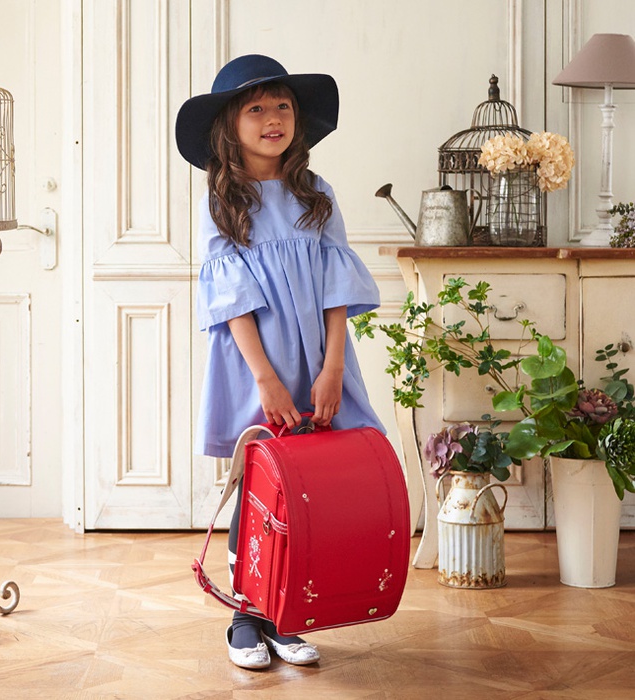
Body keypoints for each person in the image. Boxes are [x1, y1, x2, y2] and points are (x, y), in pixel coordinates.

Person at [175, 54, 385, 670]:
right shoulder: (222, 200)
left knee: (310, 487)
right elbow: (231, 299)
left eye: (283, 106)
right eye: (256, 109)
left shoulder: (316, 194)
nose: (273, 118)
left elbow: (336, 287)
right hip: (255, 363)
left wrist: (334, 367)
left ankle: (286, 611)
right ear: (229, 125)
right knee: (261, 486)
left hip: (318, 360)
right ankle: (246, 614)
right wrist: (264, 378)